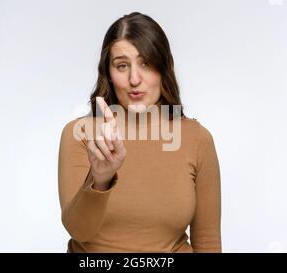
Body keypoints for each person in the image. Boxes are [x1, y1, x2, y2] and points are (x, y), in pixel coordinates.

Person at [58, 12, 221, 253]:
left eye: (146, 63)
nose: (134, 79)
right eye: (122, 66)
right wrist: (100, 180)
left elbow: (207, 242)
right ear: (109, 73)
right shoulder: (81, 134)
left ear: (163, 68)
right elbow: (79, 231)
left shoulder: (197, 139)